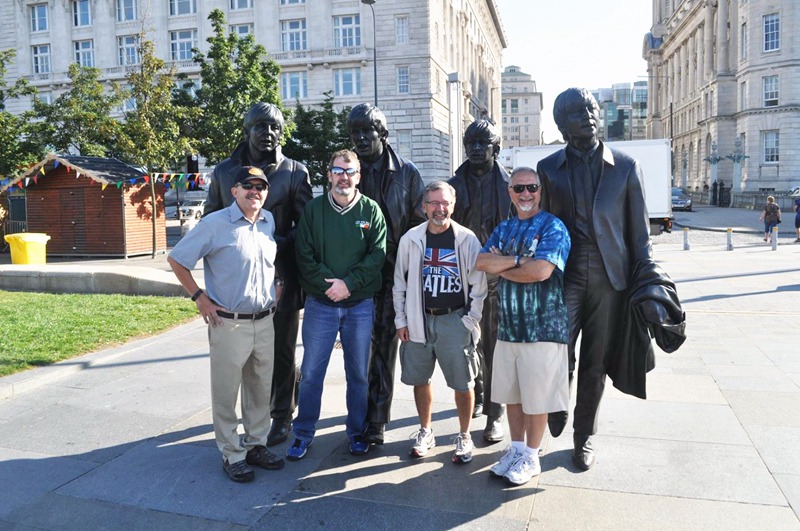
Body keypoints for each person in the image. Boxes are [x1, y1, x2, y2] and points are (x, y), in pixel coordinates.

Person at [537, 87, 663, 471]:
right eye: (577, 111)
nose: (588, 115)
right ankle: (557, 404)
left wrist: (649, 284)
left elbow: (639, 237)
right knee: (556, 352)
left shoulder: (625, 167)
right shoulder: (548, 169)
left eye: (591, 108)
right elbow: (541, 225)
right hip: (566, 275)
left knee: (596, 361)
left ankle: (584, 436)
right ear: (562, 124)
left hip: (611, 280)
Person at [204, 102, 313, 447]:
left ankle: (282, 414)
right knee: (237, 358)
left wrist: (271, 241)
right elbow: (211, 220)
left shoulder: (295, 171)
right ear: (247, 130)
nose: (268, 134)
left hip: (281, 279)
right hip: (234, 283)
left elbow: (305, 226)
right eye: (261, 127)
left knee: (280, 352)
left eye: (275, 128)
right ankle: (246, 420)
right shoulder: (224, 172)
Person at [168, 166, 285, 483]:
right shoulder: (215, 224)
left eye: (260, 186)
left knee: (260, 389)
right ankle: (232, 454)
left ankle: (256, 445)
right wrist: (199, 297)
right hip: (228, 324)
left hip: (264, 321)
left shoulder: (267, 221)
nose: (254, 191)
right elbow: (177, 259)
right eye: (247, 185)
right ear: (234, 191)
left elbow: (269, 262)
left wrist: (278, 285)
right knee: (226, 392)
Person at [287, 149, 387, 460]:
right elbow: (304, 255)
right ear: (329, 174)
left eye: (350, 171)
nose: (344, 177)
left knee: (357, 373)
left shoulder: (371, 211)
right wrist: (331, 286)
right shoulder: (315, 210)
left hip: (359, 306)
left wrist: (349, 285)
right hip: (321, 304)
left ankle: (356, 432)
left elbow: (377, 256)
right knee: (313, 373)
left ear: (359, 176)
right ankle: (302, 433)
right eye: (338, 170)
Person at [475, 167, 571, 485]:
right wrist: (518, 262)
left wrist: (505, 264)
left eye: (531, 187)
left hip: (543, 329)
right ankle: (516, 450)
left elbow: (542, 271)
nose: (525, 194)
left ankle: (531, 456)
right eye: (519, 189)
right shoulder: (504, 228)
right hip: (509, 328)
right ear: (510, 193)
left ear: (540, 191)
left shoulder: (553, 227)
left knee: (536, 397)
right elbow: (481, 261)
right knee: (513, 396)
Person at [347, 103, 426, 445]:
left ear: (383, 134)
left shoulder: (407, 174)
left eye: (368, 131)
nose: (361, 138)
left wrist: (406, 272)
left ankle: (376, 420)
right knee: (358, 349)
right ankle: (359, 413)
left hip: (393, 276)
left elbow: (418, 227)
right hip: (354, 277)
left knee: (383, 348)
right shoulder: (348, 173)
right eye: (355, 133)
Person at [393, 181, 487, 463]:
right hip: (419, 320)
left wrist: (469, 321)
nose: (439, 208)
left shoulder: (467, 239)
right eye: (433, 203)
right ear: (424, 207)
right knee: (420, 380)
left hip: (454, 320)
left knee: (463, 383)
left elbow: (478, 286)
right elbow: (399, 282)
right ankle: (425, 430)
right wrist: (401, 319)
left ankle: (465, 435)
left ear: (453, 206)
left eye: (445, 203)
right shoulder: (411, 238)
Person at [448, 119, 513, 443]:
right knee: (464, 342)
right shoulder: (453, 186)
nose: (474, 149)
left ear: (495, 149)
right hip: (461, 275)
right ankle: (476, 391)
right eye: (470, 143)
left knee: (494, 344)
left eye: (481, 144)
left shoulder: (511, 186)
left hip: (498, 277)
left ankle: (495, 411)